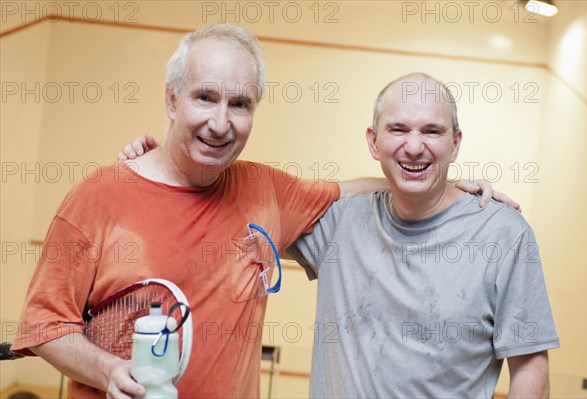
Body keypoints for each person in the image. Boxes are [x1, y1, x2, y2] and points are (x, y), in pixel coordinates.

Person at [13, 22, 512, 399]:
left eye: (241, 104)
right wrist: (107, 371)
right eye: (204, 98)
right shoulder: (98, 197)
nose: (220, 122)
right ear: (170, 99)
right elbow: (44, 327)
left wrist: (440, 187)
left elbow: (350, 191)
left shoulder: (265, 189)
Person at [287, 73, 559, 398]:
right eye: (398, 129)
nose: (414, 147)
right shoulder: (338, 221)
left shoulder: (503, 235)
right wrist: (427, 182)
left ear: (455, 144)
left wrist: (431, 183)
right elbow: (249, 210)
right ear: (373, 141)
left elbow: (531, 369)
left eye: (432, 131)